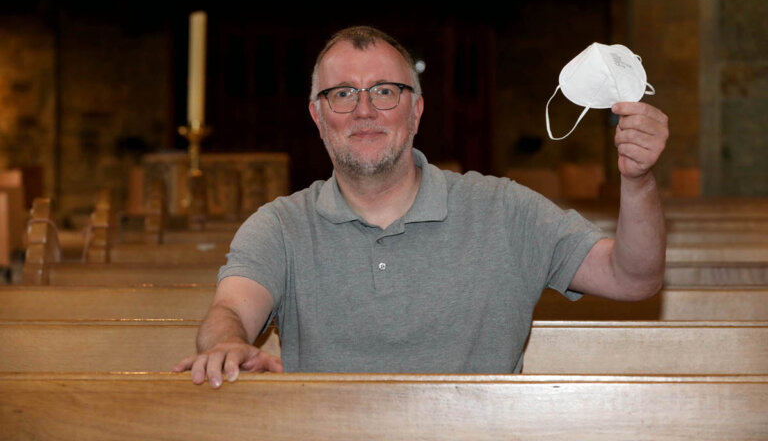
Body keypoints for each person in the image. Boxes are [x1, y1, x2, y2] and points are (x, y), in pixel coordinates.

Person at [173, 26, 669, 387]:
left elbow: (633, 278)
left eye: (385, 92)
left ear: (416, 110)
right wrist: (225, 345)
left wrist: (638, 179)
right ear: (318, 116)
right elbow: (231, 309)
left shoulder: (503, 209)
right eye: (343, 93)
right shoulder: (280, 226)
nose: (364, 110)